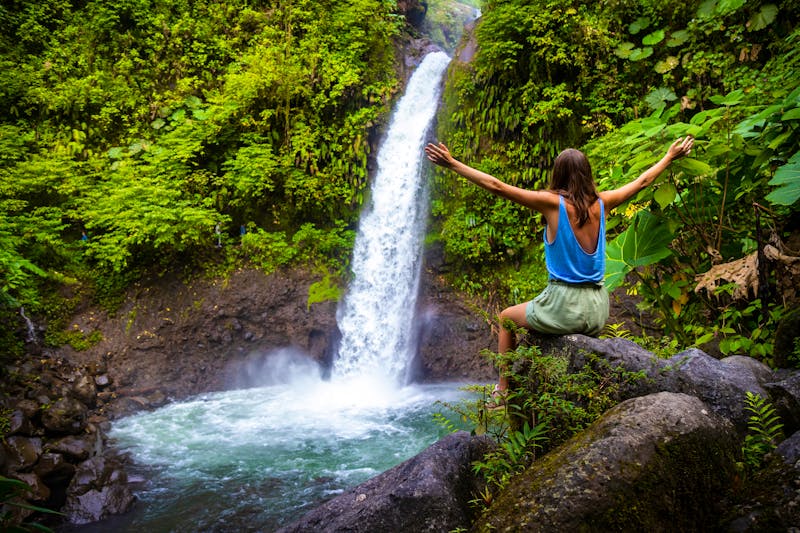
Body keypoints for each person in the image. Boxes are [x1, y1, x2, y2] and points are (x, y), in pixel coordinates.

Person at [424, 136, 694, 402]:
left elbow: (497, 186)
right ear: (587, 174)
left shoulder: (552, 204)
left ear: (558, 175)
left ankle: (504, 390)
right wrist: (669, 157)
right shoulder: (604, 202)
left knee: (507, 318)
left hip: (565, 306)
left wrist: (452, 164)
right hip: (598, 308)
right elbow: (643, 181)